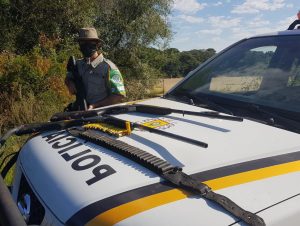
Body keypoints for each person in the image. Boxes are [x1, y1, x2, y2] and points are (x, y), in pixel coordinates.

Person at [65, 27, 126, 111]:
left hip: (102, 114)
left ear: (97, 44)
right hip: (80, 111)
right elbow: (68, 77)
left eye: (91, 42)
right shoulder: (78, 65)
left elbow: (118, 96)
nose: (86, 45)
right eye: (83, 42)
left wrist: (95, 105)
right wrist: (70, 83)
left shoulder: (109, 67)